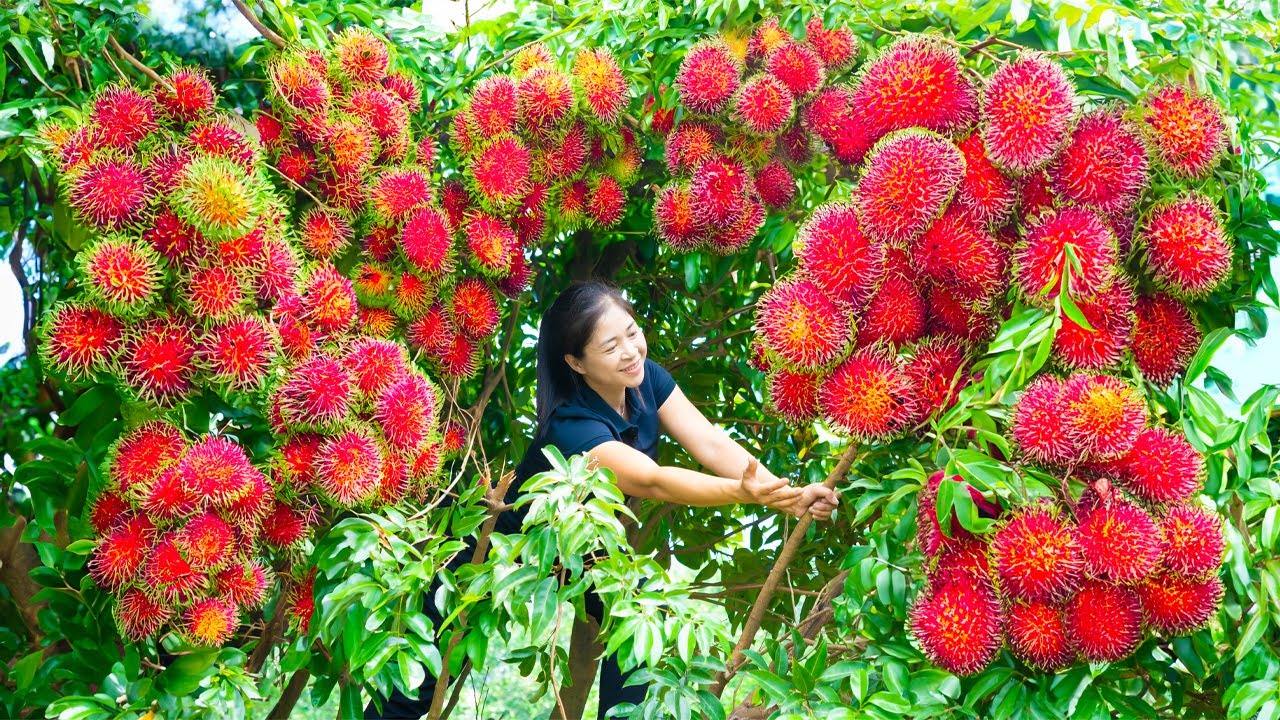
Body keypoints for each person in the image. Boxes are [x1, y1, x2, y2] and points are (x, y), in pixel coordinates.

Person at [369, 281, 839, 719]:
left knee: (635, 623)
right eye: (611, 347)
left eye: (632, 333)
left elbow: (712, 444)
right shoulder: (571, 426)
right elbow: (652, 481)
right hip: (496, 544)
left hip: (582, 545)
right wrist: (745, 494)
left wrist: (787, 493)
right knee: (414, 682)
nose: (631, 352)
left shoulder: (645, 379)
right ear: (575, 362)